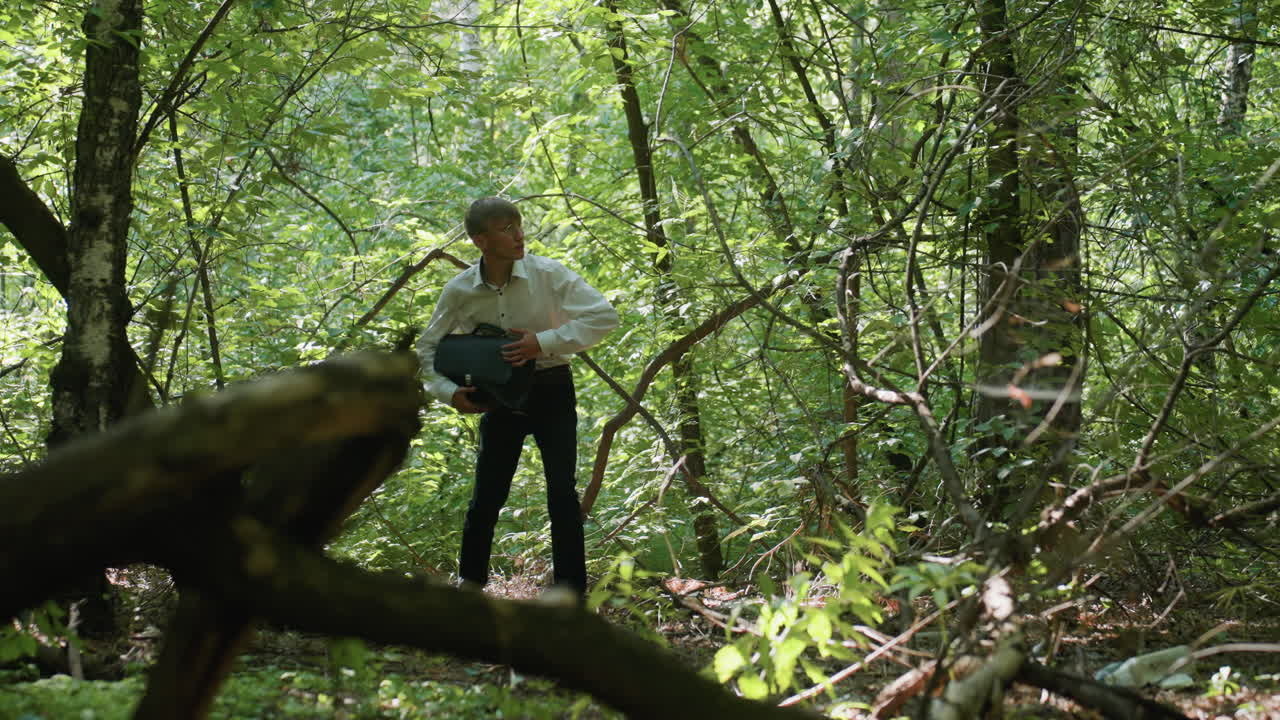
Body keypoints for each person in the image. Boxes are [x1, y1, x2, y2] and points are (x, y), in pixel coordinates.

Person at [417, 197, 619, 598]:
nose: (519, 235)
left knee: (561, 493)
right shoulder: (460, 290)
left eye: (519, 225)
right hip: (498, 396)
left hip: (551, 387)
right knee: (487, 495)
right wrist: (449, 392)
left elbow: (603, 317)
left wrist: (540, 343)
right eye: (506, 229)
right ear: (480, 240)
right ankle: (469, 592)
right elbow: (425, 351)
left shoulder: (548, 274)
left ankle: (570, 597)